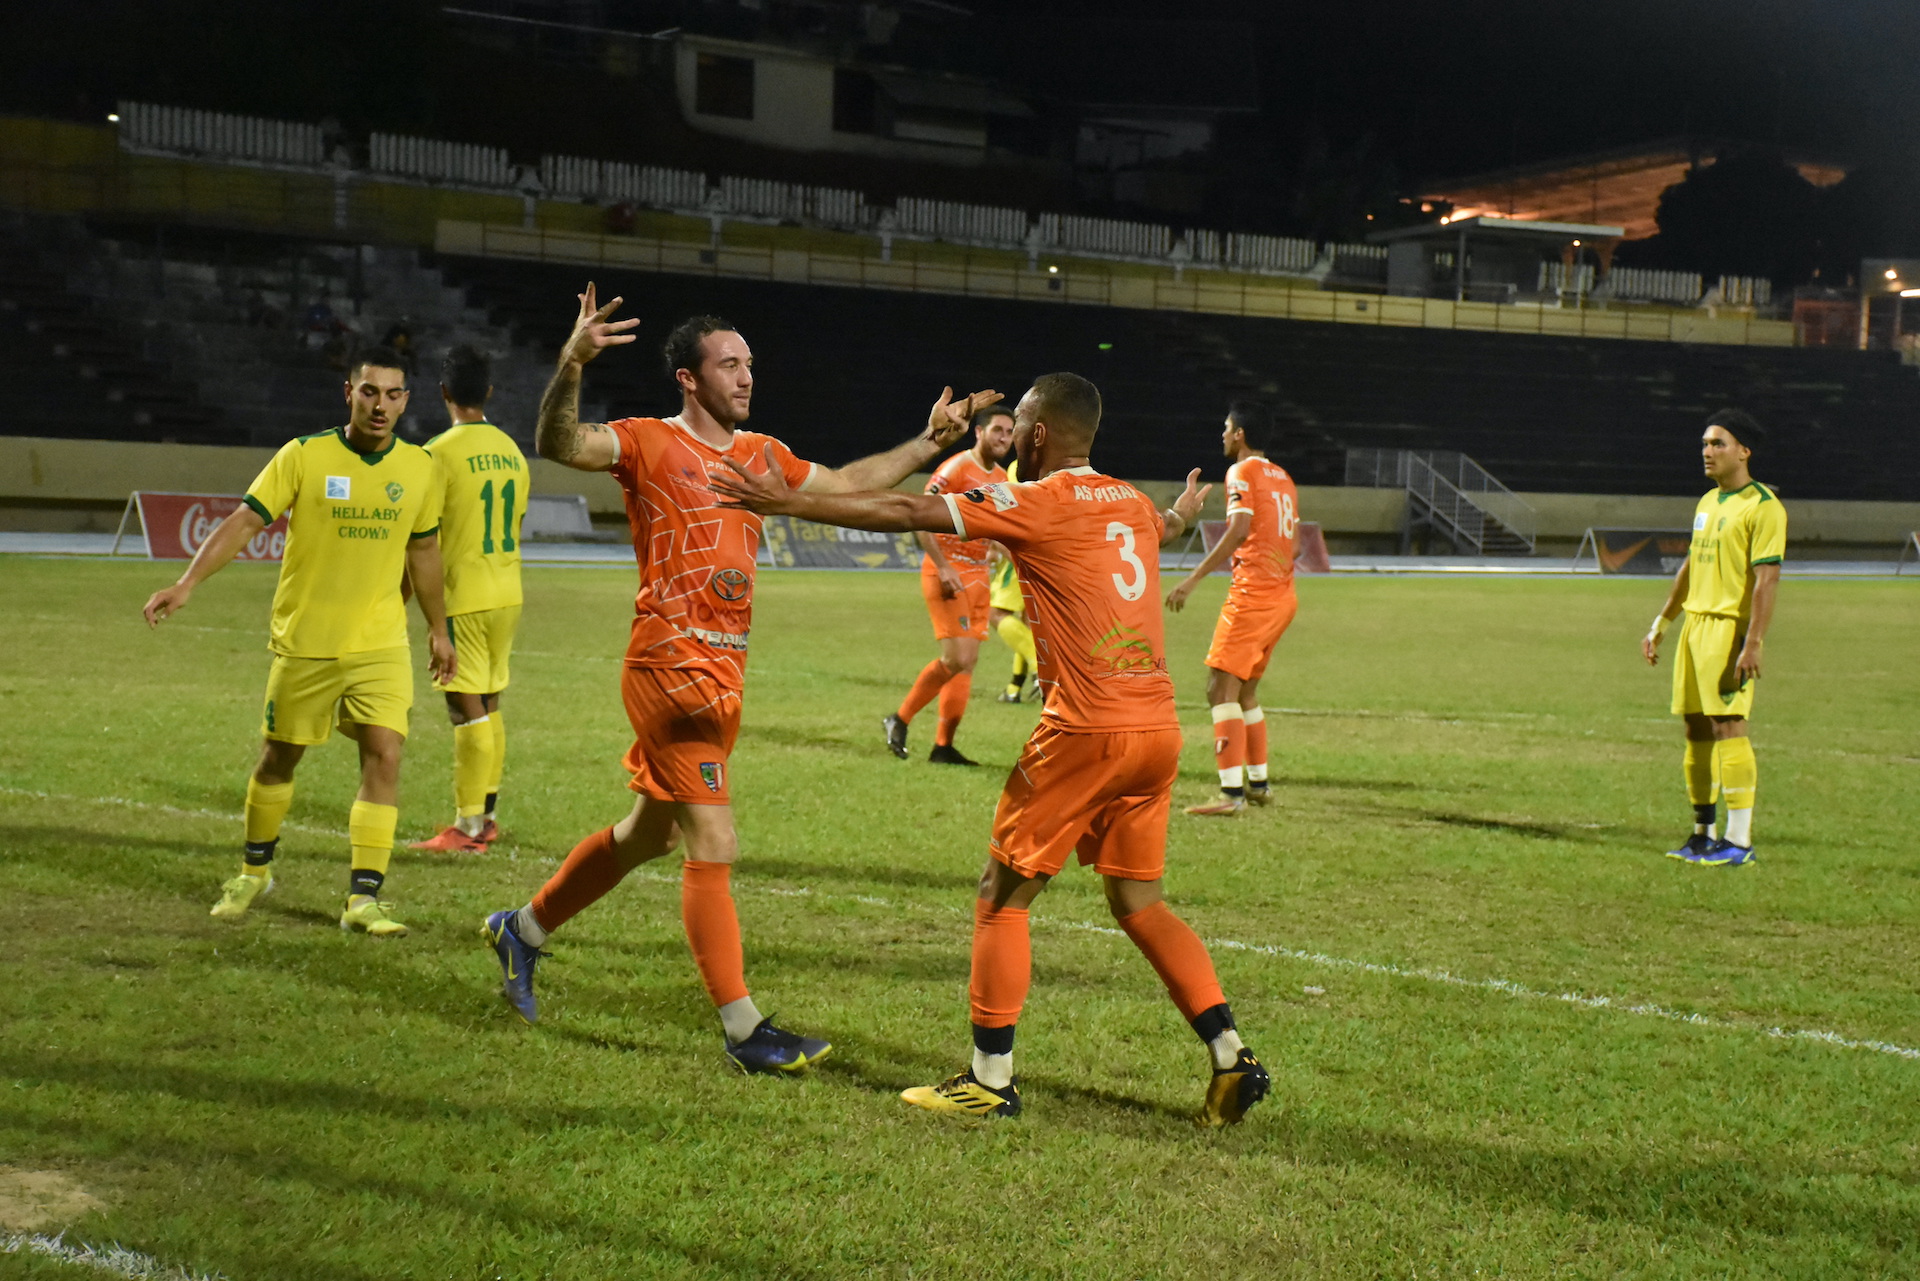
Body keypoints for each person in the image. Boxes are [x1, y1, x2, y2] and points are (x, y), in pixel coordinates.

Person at [714, 371, 1271, 1125]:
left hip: (1086, 730)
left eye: (1023, 428)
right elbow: (1161, 529)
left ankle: (989, 1078)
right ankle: (1232, 1055)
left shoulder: (1039, 499)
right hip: (1157, 731)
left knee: (999, 896)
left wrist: (789, 502)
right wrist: (1180, 509)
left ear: (1038, 435)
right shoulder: (1131, 501)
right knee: (1140, 900)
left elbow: (912, 508)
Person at [480, 283, 998, 1074]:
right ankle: (744, 1028)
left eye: (749, 363)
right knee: (713, 839)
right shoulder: (648, 441)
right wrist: (570, 365)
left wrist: (928, 442)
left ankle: (522, 928)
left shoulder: (760, 456)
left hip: (724, 669)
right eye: (729, 364)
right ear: (688, 378)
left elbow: (850, 483)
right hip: (668, 666)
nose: (746, 376)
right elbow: (560, 442)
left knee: (647, 831)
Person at [142, 347, 456, 937]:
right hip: (306, 640)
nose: (381, 405)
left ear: (407, 400)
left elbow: (425, 552)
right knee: (279, 757)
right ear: (349, 393)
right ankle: (254, 871)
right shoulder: (304, 455)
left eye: (392, 394)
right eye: (369, 392)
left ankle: (364, 898)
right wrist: (187, 583)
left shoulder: (421, 469)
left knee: (385, 754)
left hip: (380, 643)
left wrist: (439, 630)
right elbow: (244, 520)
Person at [1643, 409, 1784, 868]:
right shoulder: (1707, 503)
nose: (1707, 451)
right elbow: (1689, 567)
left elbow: (1766, 581)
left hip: (1728, 629)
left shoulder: (1763, 507)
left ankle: (1739, 841)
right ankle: (1703, 833)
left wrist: (1753, 642)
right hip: (1693, 627)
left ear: (1744, 450)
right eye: (1705, 443)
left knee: (1729, 726)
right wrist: (1662, 622)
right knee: (1696, 729)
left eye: (1718, 443)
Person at [409, 345, 525, 853]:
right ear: (490, 393)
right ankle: (487, 815)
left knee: (464, 708)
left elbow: (424, 538)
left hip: (465, 596)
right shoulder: (513, 451)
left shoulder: (436, 453)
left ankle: (467, 827)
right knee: (489, 705)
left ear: (443, 392)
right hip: (507, 591)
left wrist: (411, 606)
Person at [1164, 402, 1300, 816]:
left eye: (1226, 428)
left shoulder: (1241, 472)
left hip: (1253, 596)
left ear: (1240, 434)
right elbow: (1291, 543)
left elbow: (1239, 530)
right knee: (1246, 691)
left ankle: (1231, 795)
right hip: (1282, 596)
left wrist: (1193, 578)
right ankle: (1258, 784)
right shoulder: (1283, 477)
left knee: (1218, 689)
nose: (1222, 434)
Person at [882, 403, 1014, 764]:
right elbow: (922, 517)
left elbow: (992, 529)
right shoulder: (957, 468)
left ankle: (943, 746)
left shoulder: (1002, 480)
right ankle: (900, 718)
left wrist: (1006, 550)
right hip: (949, 573)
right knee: (958, 657)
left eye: (1009, 432)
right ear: (979, 432)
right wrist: (942, 566)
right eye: (998, 430)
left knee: (966, 663)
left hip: (978, 576)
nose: (1004, 438)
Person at [987, 457, 1040, 704]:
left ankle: (1041, 669)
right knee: (1027, 622)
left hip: (1022, 555)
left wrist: (1000, 546)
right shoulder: (1055, 465)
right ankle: (1014, 688)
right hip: (1044, 556)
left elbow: (1001, 517)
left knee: (997, 614)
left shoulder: (1019, 466)